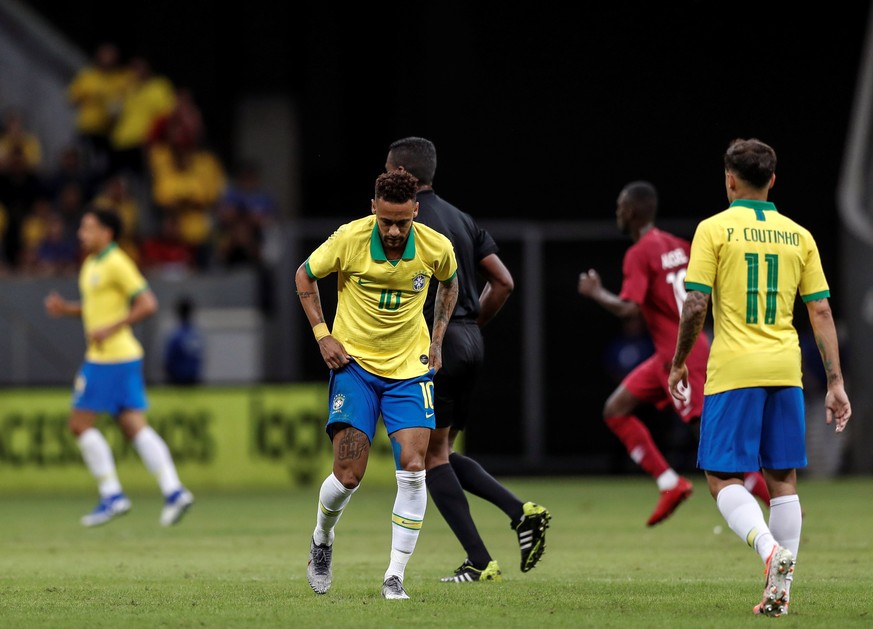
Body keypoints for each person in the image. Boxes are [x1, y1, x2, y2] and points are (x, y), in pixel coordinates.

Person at [668, 138, 851, 617]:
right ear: (773, 180)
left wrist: (679, 359)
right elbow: (822, 310)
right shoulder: (800, 235)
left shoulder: (714, 229)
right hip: (786, 370)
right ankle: (779, 597)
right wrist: (835, 382)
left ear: (730, 179)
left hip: (735, 371)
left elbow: (694, 303)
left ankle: (771, 553)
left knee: (721, 476)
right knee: (782, 478)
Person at [385, 136, 550, 583]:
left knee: (424, 458)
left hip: (433, 347)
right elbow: (504, 281)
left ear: (403, 175)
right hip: (469, 343)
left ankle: (480, 561)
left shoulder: (404, 222)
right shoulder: (460, 218)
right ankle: (521, 512)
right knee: (441, 450)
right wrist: (472, 326)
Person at [296, 169, 459, 600]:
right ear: (374, 208)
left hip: (410, 369)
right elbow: (304, 276)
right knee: (348, 475)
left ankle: (394, 576)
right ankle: (322, 540)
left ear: (415, 212)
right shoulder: (348, 239)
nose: (392, 230)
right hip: (356, 366)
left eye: (402, 222)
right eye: (386, 220)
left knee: (413, 465)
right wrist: (322, 335)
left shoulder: (435, 246)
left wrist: (437, 341)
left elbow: (450, 283)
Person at [577, 181, 771, 527]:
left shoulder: (639, 253)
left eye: (621, 206)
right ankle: (670, 483)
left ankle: (774, 497)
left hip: (682, 358)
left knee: (710, 438)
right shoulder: (678, 245)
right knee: (615, 409)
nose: (618, 212)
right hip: (669, 355)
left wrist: (596, 293)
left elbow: (629, 309)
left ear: (633, 212)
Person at [44, 208, 194, 527]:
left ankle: (112, 495)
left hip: (108, 357)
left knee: (78, 423)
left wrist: (109, 329)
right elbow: (96, 308)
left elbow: (147, 303)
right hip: (121, 356)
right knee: (132, 425)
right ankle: (174, 491)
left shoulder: (117, 262)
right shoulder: (91, 264)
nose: (81, 233)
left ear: (107, 233)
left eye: (88, 227)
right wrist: (67, 308)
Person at [163, 296, 204, 385]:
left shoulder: (175, 335)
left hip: (177, 379)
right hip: (193, 378)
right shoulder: (196, 334)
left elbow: (168, 359)